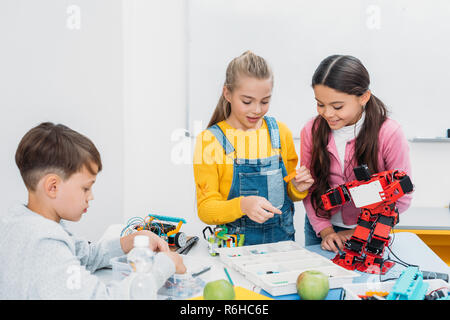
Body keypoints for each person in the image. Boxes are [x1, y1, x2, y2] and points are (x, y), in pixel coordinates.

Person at [0, 122, 186, 299]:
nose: (91, 196)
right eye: (86, 188)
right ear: (53, 187)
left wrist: (129, 242)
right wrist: (164, 266)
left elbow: (83, 256)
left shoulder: (24, 223)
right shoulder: (44, 244)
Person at [193, 51, 314, 245]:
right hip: (235, 250)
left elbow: (288, 192)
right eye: (247, 101)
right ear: (227, 93)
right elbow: (205, 209)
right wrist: (243, 205)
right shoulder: (209, 141)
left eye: (265, 101)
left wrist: (298, 188)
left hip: (282, 247)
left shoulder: (280, 133)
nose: (257, 109)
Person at [300, 55, 412, 253]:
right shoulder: (311, 130)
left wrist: (360, 232)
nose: (327, 113)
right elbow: (310, 189)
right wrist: (326, 231)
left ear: (363, 97)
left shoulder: (388, 133)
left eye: (337, 106)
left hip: (372, 231)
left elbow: (402, 195)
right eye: (320, 104)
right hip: (321, 230)